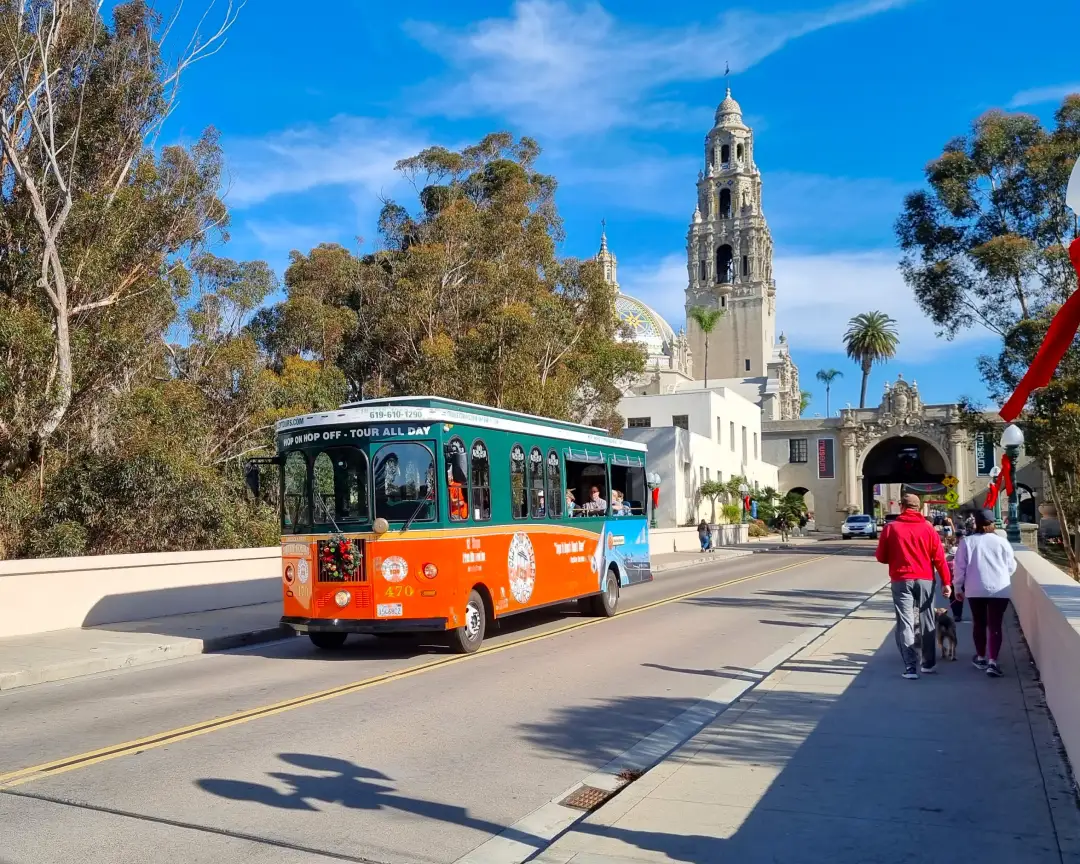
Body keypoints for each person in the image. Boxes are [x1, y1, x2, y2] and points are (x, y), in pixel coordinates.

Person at [876, 493, 952, 679]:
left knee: (906, 622)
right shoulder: (928, 529)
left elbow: (881, 557)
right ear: (918, 508)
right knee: (927, 620)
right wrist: (947, 582)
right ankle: (928, 663)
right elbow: (939, 558)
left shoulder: (891, 528)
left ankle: (911, 667)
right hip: (926, 578)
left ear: (902, 506)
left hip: (901, 579)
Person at [953, 508, 1017, 678]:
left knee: (979, 623)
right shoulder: (1002, 542)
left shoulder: (967, 542)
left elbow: (959, 567)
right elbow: (1011, 566)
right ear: (993, 523)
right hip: (999, 588)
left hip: (975, 588)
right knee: (995, 624)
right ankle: (993, 662)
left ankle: (980, 657)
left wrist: (958, 587)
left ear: (976, 523)